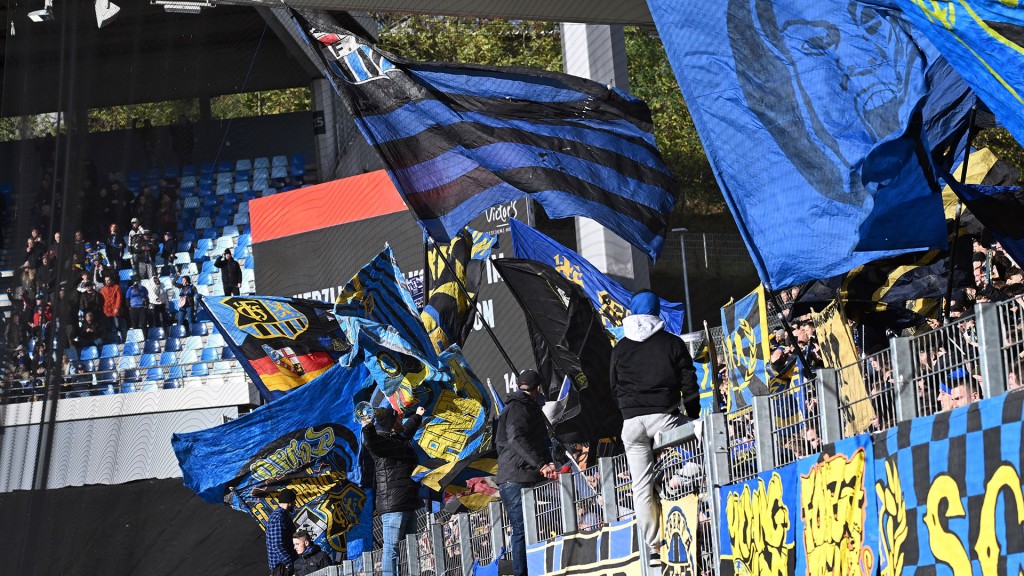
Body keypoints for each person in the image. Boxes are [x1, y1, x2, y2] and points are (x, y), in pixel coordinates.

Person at [609, 291, 699, 568]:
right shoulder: (672, 343)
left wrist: (627, 412)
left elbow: (613, 387)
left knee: (640, 487)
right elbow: (689, 381)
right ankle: (689, 482)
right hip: (665, 418)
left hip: (631, 424)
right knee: (701, 441)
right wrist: (693, 416)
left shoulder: (619, 348)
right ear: (657, 312)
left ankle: (653, 549)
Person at [495, 369, 556, 576]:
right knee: (521, 529)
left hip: (525, 475)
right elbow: (516, 439)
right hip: (516, 478)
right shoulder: (518, 408)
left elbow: (537, 441)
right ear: (538, 388)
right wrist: (541, 464)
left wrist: (549, 462)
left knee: (544, 520)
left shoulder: (527, 407)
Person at [360, 405, 427, 576]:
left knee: (410, 547)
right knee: (392, 549)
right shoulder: (381, 441)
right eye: (397, 419)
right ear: (390, 422)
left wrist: (418, 416)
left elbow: (407, 431)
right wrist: (367, 427)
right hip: (393, 505)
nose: (401, 421)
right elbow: (370, 441)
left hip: (407, 502)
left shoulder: (396, 438)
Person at [266, 488, 298, 576]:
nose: (295, 504)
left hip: (284, 566)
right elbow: (277, 545)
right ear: (289, 502)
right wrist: (290, 564)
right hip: (282, 567)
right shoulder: (278, 518)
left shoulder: (282, 516)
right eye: (294, 501)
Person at [101, 276, 126, 342]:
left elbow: (119, 298)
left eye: (108, 280)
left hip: (115, 310)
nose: (107, 282)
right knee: (109, 327)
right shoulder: (103, 289)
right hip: (107, 310)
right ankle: (111, 340)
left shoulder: (116, 287)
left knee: (117, 326)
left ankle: (120, 339)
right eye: (105, 280)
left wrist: (117, 307)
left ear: (111, 280)